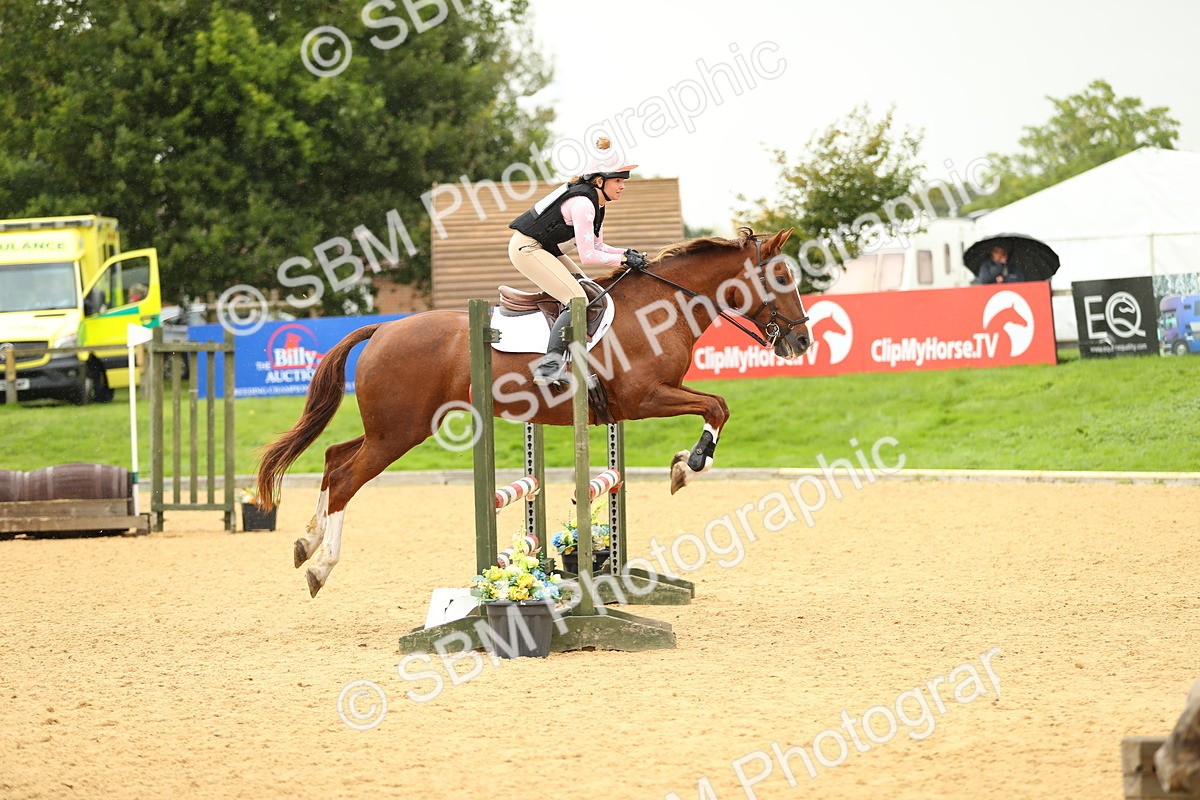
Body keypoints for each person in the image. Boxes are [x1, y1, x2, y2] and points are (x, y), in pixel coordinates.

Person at [507, 136, 647, 385]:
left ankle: (575, 361)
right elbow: (589, 256)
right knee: (577, 299)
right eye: (618, 180)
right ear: (599, 181)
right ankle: (548, 368)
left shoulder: (597, 204)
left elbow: (598, 245)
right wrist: (623, 260)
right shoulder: (583, 204)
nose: (622, 186)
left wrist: (626, 253)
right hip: (527, 248)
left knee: (590, 291)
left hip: (545, 249)